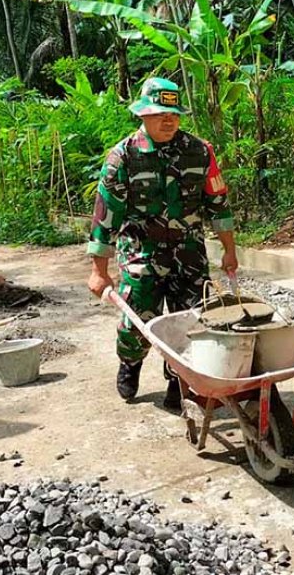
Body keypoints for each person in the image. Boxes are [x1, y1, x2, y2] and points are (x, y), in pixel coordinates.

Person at [87, 77, 239, 409]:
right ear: (143, 114)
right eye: (159, 114)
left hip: (189, 255)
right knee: (137, 321)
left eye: (173, 114)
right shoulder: (123, 157)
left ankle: (178, 381)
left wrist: (229, 249)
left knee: (192, 322)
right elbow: (106, 214)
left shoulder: (200, 151)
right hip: (141, 256)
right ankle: (130, 363)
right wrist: (99, 270)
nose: (168, 121)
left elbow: (217, 202)